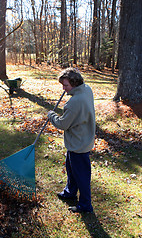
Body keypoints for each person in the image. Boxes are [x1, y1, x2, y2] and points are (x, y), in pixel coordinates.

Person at [48, 67, 95, 213]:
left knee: (81, 176)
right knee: (71, 169)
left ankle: (85, 205)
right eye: (63, 85)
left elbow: (62, 124)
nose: (64, 88)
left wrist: (51, 115)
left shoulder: (74, 102)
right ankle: (70, 192)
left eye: (66, 85)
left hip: (79, 143)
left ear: (74, 83)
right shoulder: (86, 89)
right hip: (82, 138)